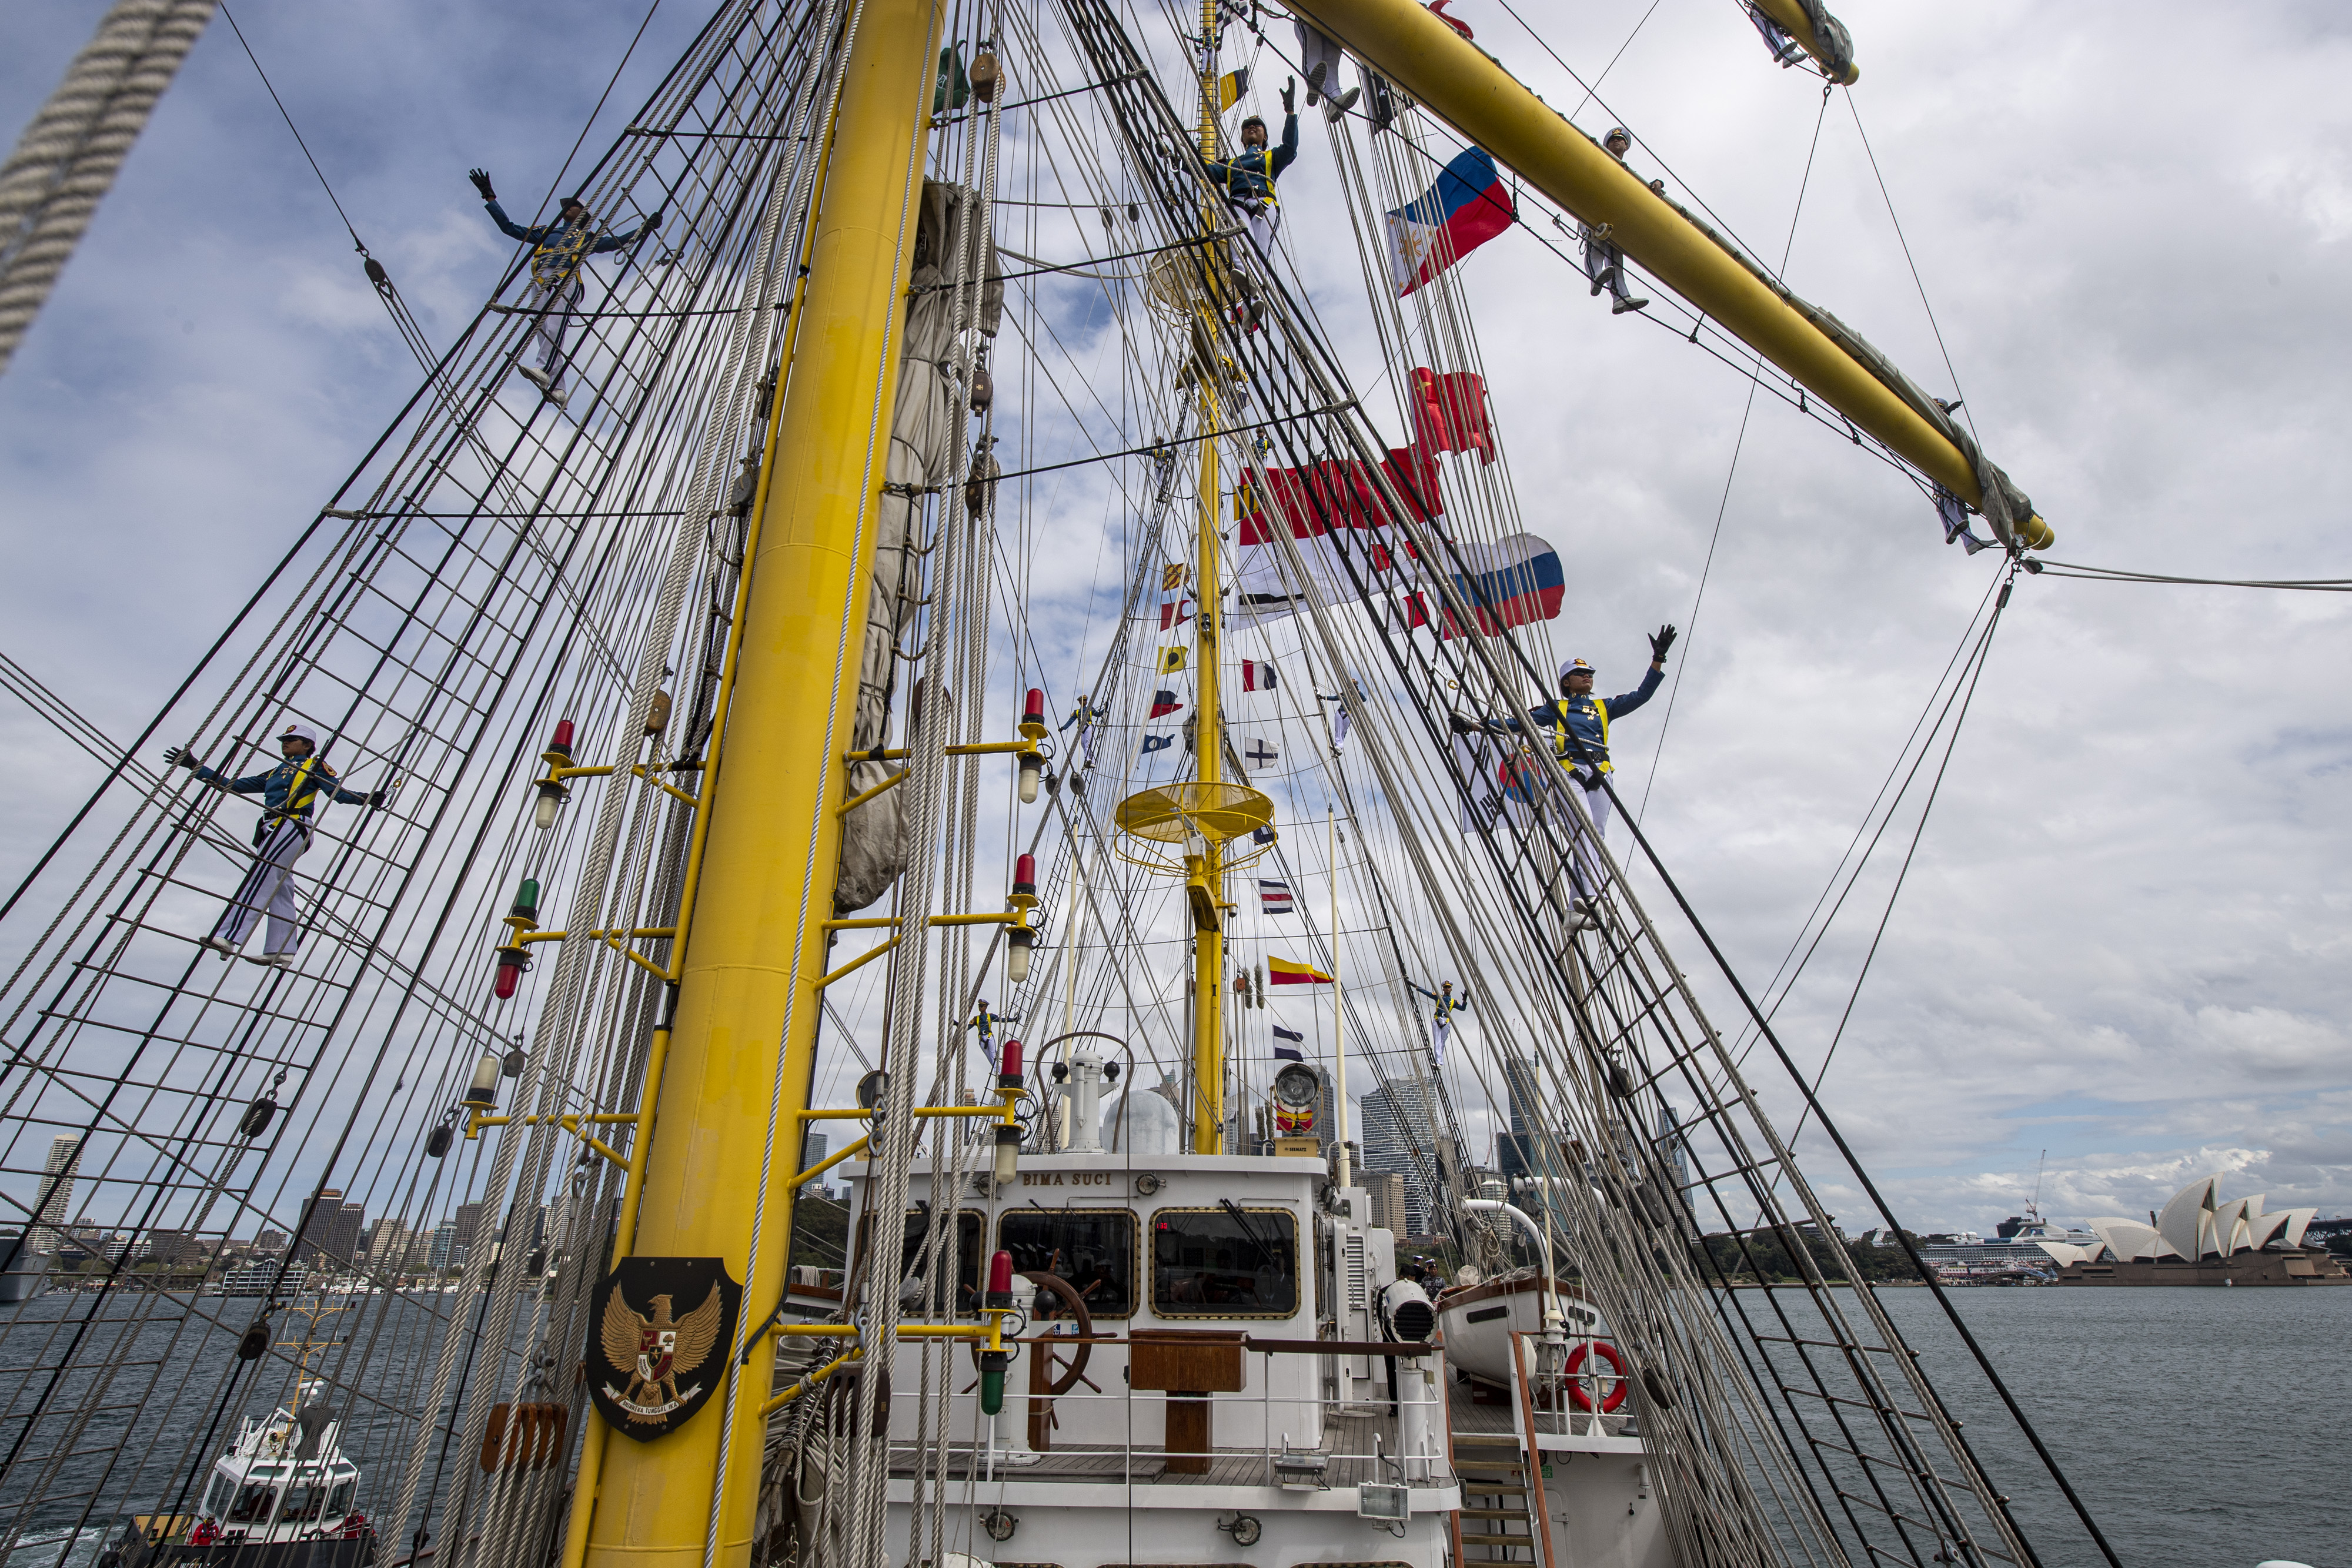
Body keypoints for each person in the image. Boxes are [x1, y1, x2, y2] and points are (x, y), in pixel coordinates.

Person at [1451, 627, 1676, 924]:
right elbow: (1517, 723)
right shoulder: (1556, 708)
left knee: (1595, 837)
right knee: (1583, 831)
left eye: (1589, 673)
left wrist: (1658, 658)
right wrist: (1475, 725)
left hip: (1602, 773)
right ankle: (1595, 897)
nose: (1587, 676)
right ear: (1566, 682)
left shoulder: (1603, 707)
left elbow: (1641, 696)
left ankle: (1575, 909)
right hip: (1570, 772)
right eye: (1580, 673)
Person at [165, 723, 384, 967]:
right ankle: (282, 949)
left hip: (293, 825)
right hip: (271, 829)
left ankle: (229, 936)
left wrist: (365, 798)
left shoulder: (315, 767)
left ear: (308, 745)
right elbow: (234, 785)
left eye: (292, 739)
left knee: (260, 876)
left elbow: (339, 794)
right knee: (280, 887)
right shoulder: (275, 772)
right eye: (284, 739)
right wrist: (196, 767)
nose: (285, 742)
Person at [468, 169, 660, 407]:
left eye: (573, 205)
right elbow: (510, 228)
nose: (567, 207)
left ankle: (544, 369)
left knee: (555, 325)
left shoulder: (587, 237)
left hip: (565, 279)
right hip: (540, 279)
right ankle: (559, 388)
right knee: (543, 328)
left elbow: (614, 243)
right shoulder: (547, 232)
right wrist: (490, 197)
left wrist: (644, 230)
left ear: (584, 214)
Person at [1202, 101, 1298, 258]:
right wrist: (1180, 159)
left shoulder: (1271, 156)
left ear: (1265, 136)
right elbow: (1205, 169)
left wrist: (1290, 113)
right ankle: (1243, 276)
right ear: (1242, 139)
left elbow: (1290, 149)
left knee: (1260, 250)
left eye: (1257, 125)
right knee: (1241, 248)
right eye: (1247, 127)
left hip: (1263, 203)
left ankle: (1258, 281)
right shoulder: (1232, 164)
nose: (1252, 127)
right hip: (1237, 204)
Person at [1581, 129, 1651, 316]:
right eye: (1613, 140)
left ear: (1626, 146)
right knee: (1595, 245)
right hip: (1594, 210)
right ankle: (1595, 276)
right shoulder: (1599, 157)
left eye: (1620, 140)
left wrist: (1658, 183)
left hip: (1615, 217)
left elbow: (1641, 187)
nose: (1617, 142)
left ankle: (1620, 297)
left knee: (1615, 260)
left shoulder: (1626, 171)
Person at [1294, 21, 1362, 123]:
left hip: (1335, 23)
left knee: (1331, 64)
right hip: (1311, 19)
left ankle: (1334, 100)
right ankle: (1314, 84)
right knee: (1313, 50)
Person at [1409, 979, 1468, 1066]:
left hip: (1446, 1021)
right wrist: (1415, 986)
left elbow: (1462, 1009)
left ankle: (1439, 1061)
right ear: (1443, 989)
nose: (1447, 989)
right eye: (1446, 987)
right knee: (1437, 1040)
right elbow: (1427, 993)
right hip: (1437, 1019)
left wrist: (1465, 1000)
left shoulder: (1453, 1002)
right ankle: (1438, 1062)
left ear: (1451, 989)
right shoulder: (1438, 997)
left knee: (1442, 1041)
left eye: (1449, 987)